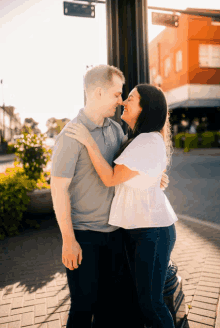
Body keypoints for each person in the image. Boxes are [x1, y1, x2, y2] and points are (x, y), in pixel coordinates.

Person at [50, 65, 169, 328]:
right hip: (85, 237)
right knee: (83, 308)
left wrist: (152, 176)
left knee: (112, 309)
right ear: (99, 92)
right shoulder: (71, 135)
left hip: (117, 235)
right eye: (117, 95)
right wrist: (68, 240)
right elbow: (58, 189)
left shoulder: (116, 130)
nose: (120, 101)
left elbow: (124, 170)